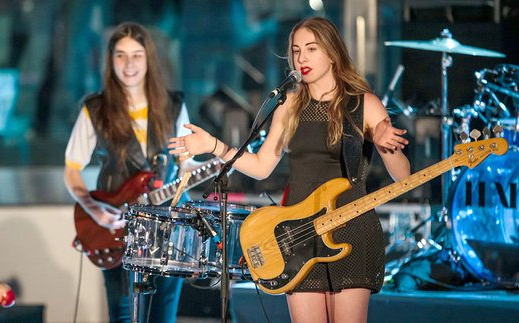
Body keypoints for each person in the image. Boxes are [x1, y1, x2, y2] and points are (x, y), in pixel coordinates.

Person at [169, 17, 411, 323]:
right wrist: (214, 145)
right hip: (299, 235)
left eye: (312, 49)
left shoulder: (364, 104)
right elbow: (260, 166)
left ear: (333, 53)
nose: (302, 58)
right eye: (296, 51)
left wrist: (386, 146)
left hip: (350, 232)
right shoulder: (289, 105)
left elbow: (403, 177)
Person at [64, 22, 194, 323]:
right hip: (117, 228)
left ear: (149, 59)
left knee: (164, 315)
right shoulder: (95, 109)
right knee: (123, 315)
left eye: (137, 55)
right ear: (110, 61)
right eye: (121, 55)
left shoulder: (173, 106)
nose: (129, 64)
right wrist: (94, 210)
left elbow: (186, 167)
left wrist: (215, 163)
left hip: (168, 229)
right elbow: (71, 171)